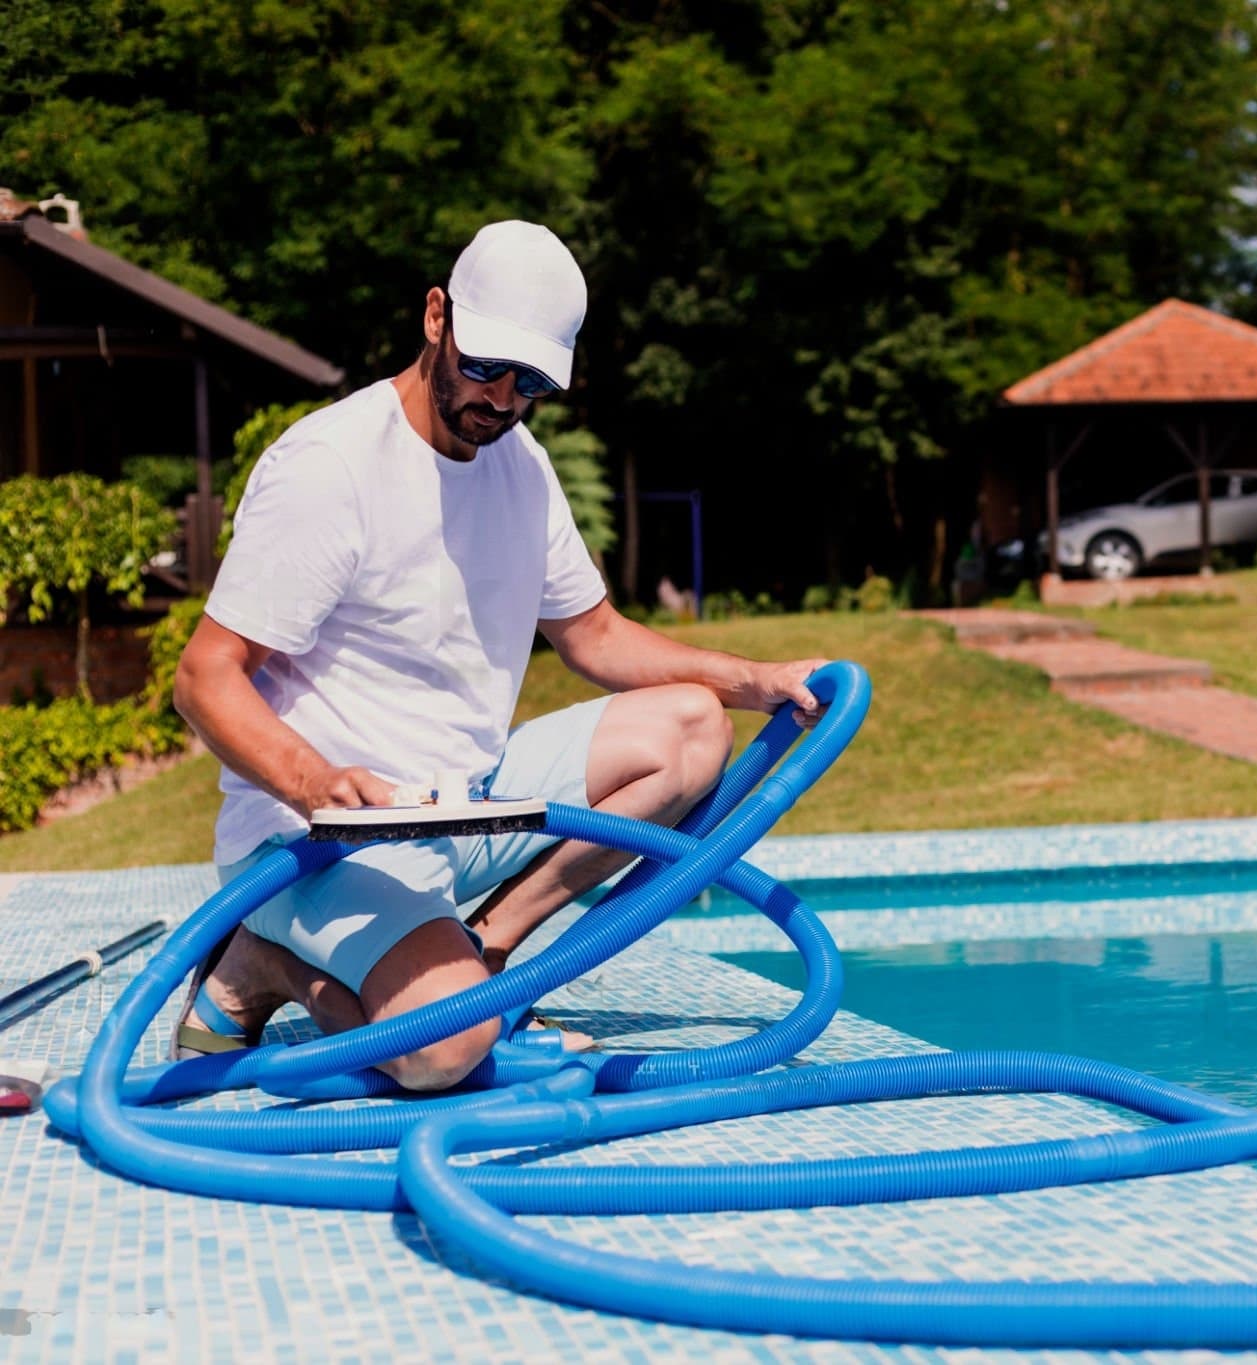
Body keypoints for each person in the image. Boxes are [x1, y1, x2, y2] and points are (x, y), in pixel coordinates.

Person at [172, 220, 826, 1090]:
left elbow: (594, 635)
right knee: (446, 1048)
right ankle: (259, 962)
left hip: (463, 806)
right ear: (437, 317)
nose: (504, 398)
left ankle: (487, 949)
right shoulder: (330, 465)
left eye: (532, 381)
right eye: (486, 367)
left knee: (693, 728)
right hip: (318, 837)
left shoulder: (519, 464)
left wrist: (755, 681)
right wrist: (313, 782)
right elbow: (204, 677)